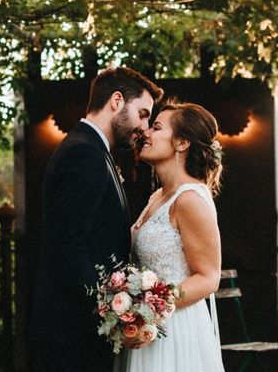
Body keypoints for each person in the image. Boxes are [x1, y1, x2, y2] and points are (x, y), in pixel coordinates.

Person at [30, 66, 163, 372]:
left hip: (78, 334)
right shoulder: (84, 154)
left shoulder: (94, 151)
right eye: (143, 114)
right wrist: (112, 311)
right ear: (117, 101)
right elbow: (70, 247)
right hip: (71, 336)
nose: (144, 128)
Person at [117, 102, 225, 372]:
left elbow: (209, 277)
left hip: (177, 329)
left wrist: (150, 308)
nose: (146, 133)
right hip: (149, 327)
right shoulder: (158, 196)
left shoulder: (190, 199)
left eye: (156, 127)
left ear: (182, 143)